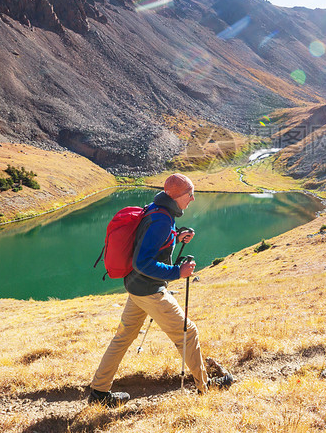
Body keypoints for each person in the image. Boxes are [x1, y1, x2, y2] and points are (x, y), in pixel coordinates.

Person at [88, 173, 233, 406]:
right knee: (189, 332)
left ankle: (99, 393)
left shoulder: (157, 209)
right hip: (149, 290)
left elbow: (153, 244)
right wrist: (179, 272)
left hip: (135, 286)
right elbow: (142, 262)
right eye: (190, 194)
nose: (193, 199)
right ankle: (205, 387)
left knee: (123, 337)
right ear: (178, 196)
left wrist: (178, 235)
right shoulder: (162, 220)